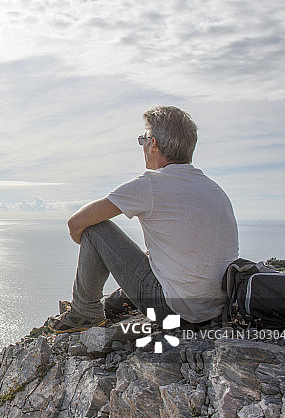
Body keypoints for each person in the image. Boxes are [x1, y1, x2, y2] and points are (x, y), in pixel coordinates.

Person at [51, 106, 238, 332]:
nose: (142, 146)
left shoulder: (150, 184)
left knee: (95, 229)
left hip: (174, 311)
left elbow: (76, 223)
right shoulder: (213, 189)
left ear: (154, 144)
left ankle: (84, 312)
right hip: (217, 308)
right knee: (148, 258)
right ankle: (110, 306)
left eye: (143, 139)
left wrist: (93, 249)